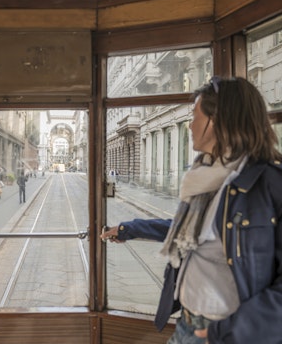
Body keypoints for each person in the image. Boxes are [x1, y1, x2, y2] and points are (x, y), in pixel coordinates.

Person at [101, 76, 282, 344]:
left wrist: (229, 331)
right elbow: (186, 233)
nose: (189, 125)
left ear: (217, 120)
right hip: (187, 322)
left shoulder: (270, 185)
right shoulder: (207, 177)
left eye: (195, 116)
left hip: (227, 332)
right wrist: (130, 229)